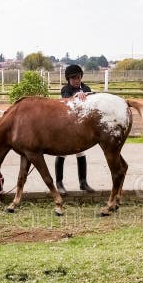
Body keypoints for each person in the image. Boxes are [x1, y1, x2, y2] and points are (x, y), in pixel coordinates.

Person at [56, 64, 94, 194]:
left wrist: (87, 95)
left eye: (78, 77)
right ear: (68, 79)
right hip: (66, 126)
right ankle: (59, 183)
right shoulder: (65, 89)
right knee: (62, 153)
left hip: (80, 127)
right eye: (73, 78)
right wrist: (78, 95)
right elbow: (67, 100)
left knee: (81, 153)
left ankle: (83, 182)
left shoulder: (86, 88)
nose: (76, 80)